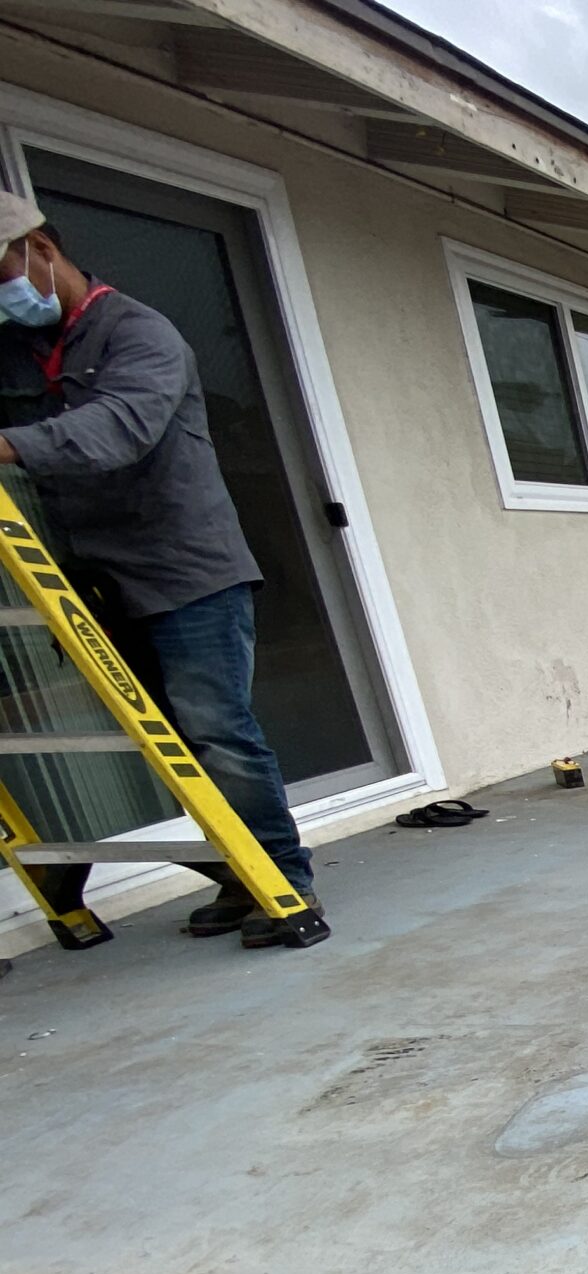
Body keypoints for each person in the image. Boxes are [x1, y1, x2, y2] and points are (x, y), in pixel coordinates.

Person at [0, 189, 321, 947]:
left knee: (218, 731)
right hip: (102, 582)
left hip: (187, 573)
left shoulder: (141, 335)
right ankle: (240, 878)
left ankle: (284, 883)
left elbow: (116, 431)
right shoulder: (22, 348)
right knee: (166, 742)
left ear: (40, 251)